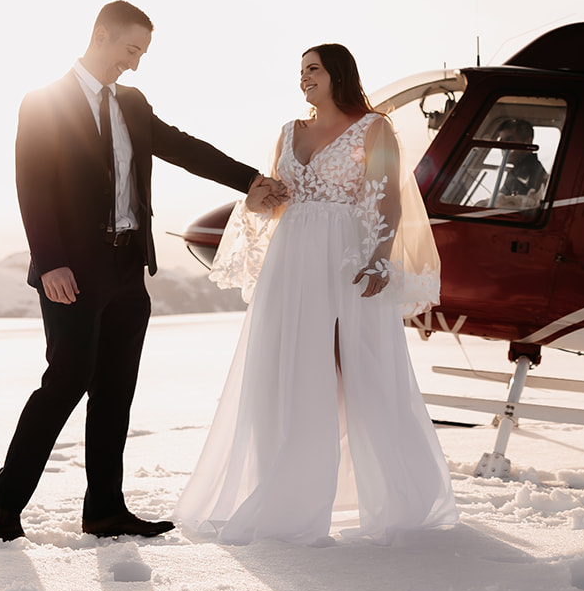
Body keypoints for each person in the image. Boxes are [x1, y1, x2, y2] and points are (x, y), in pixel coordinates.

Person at [0, 0, 286, 542]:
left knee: (116, 391)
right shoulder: (43, 102)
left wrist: (250, 181)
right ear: (100, 35)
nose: (135, 64)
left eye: (142, 54)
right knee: (66, 381)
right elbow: (32, 185)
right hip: (72, 270)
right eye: (130, 50)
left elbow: (184, 148)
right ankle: (4, 501)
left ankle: (104, 510)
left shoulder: (133, 102)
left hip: (128, 266)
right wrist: (49, 261)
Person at [173, 43, 457, 544]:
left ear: (337, 74)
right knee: (287, 365)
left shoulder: (375, 128)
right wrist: (266, 202)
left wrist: (379, 256)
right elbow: (274, 201)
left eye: (313, 69)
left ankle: (397, 497)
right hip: (292, 258)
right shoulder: (288, 132)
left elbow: (388, 197)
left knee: (364, 368)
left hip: (347, 256)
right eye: (300, 70)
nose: (303, 78)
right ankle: (285, 491)